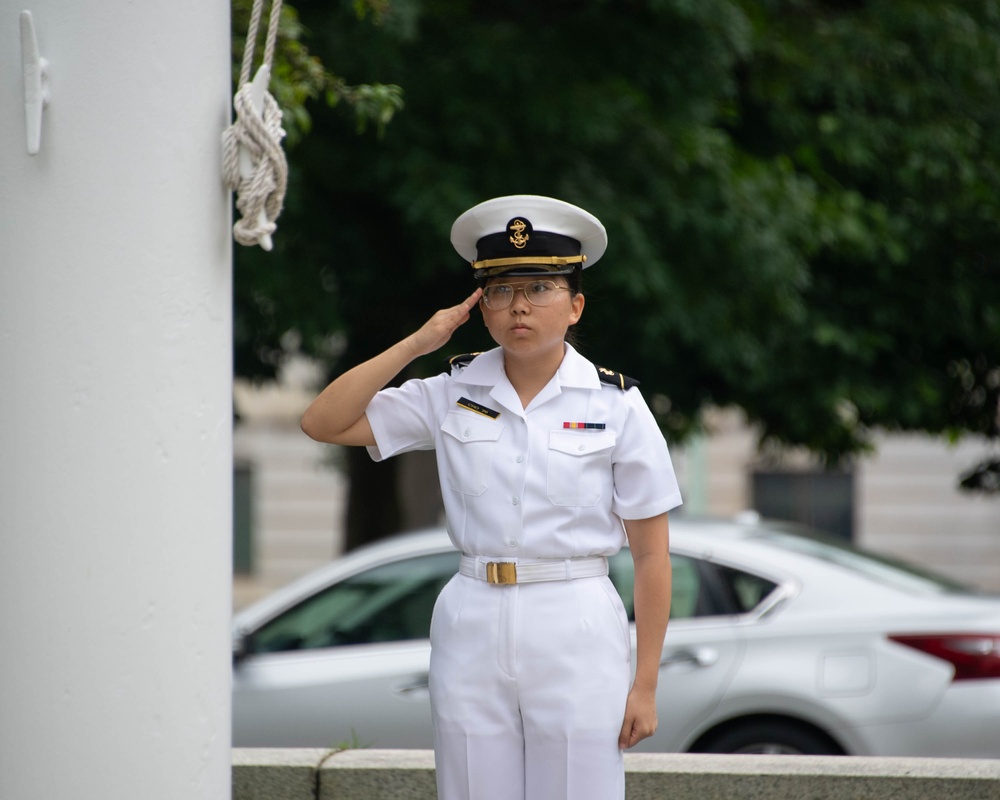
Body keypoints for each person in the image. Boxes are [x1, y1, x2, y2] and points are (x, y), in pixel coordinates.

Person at [301, 195, 682, 800]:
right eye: (501, 292)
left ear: (576, 304)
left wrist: (646, 684)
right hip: (472, 615)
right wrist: (418, 343)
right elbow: (323, 422)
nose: (519, 306)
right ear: (482, 307)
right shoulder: (451, 390)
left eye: (539, 288)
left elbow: (652, 556)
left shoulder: (616, 406)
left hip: (575, 616)